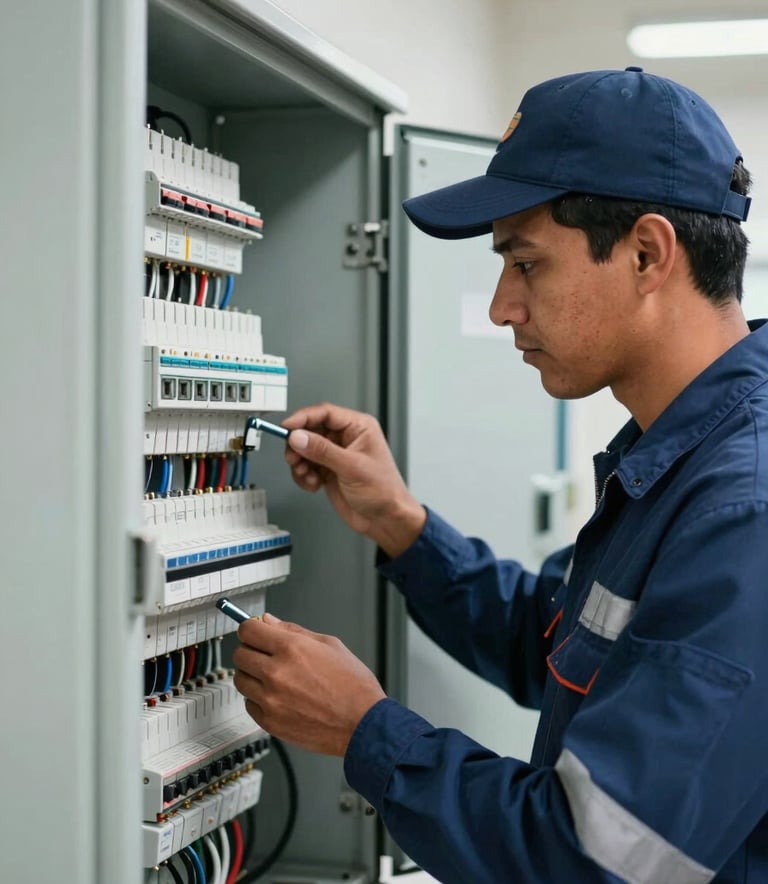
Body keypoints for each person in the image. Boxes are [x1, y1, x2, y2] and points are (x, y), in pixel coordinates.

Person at [231, 67, 768, 883]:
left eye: (526, 264)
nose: (500, 307)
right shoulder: (679, 459)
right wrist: (401, 524)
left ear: (648, 253)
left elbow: (591, 864)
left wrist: (365, 729)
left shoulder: (743, 508)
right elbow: (555, 647)